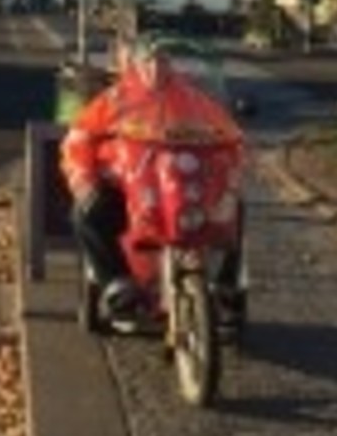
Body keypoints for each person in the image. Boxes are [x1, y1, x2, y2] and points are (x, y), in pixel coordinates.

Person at [59, 36, 245, 318]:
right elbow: (79, 138)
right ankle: (117, 281)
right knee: (86, 214)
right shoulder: (116, 98)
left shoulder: (192, 98)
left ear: (172, 65)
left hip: (184, 184)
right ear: (136, 64)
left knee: (235, 210)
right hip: (129, 186)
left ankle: (225, 284)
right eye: (149, 60)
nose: (156, 68)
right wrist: (85, 179)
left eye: (163, 61)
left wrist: (228, 176)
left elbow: (230, 136)